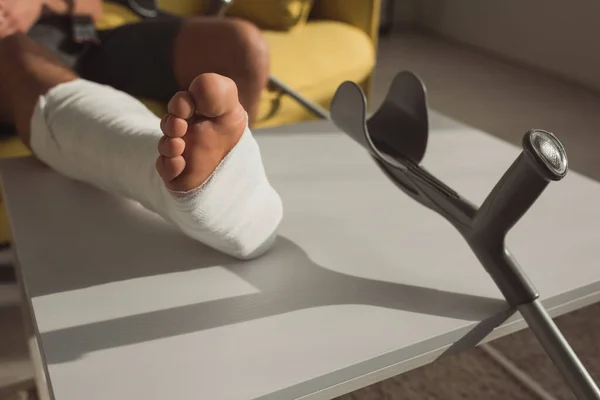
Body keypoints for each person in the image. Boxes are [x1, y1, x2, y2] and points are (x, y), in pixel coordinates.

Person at [0, 0, 283, 259]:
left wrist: (35, 3)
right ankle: (202, 189)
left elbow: (90, 5)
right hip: (11, 49)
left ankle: (237, 174)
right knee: (13, 49)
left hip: (83, 36)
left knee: (239, 43)